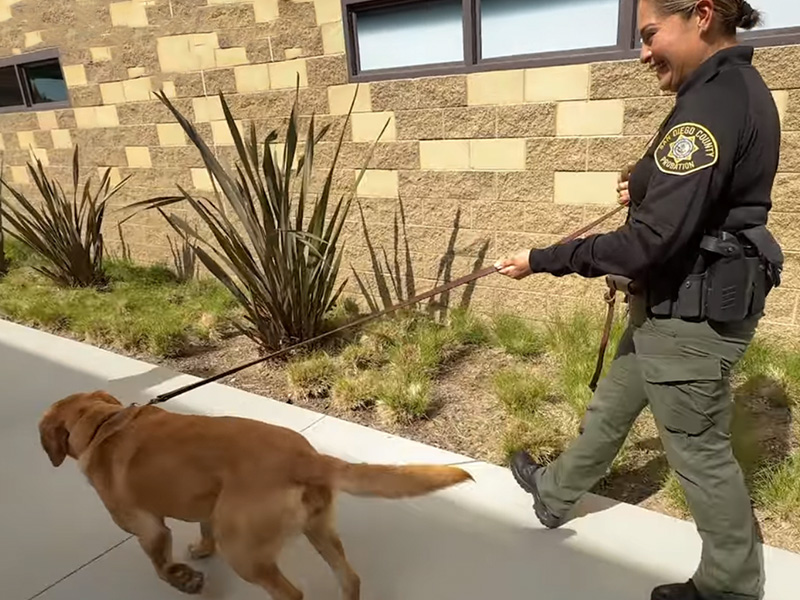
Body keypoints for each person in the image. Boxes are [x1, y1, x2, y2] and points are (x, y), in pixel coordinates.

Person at [493, 1, 784, 599]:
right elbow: (693, 192)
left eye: (650, 34)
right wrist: (643, 178)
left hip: (689, 319)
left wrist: (542, 259)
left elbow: (649, 241)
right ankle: (553, 494)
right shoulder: (729, 91)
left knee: (701, 457)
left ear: (701, 14)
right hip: (672, 308)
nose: (643, 52)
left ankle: (729, 587)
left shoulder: (710, 104)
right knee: (613, 406)